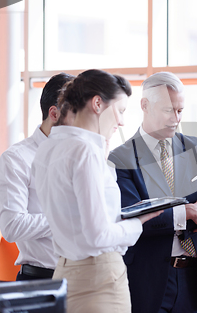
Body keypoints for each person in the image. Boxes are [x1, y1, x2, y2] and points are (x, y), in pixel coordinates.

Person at [32, 69, 161, 313]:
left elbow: (74, 219)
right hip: (100, 277)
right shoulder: (84, 150)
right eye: (120, 110)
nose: (122, 121)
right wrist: (137, 223)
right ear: (98, 103)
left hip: (64, 271)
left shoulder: (48, 148)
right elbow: (97, 235)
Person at [108, 72, 197, 313]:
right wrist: (186, 212)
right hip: (148, 281)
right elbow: (132, 217)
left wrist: (190, 217)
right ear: (145, 106)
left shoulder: (195, 147)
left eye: (180, 110)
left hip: (194, 278)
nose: (175, 119)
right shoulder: (121, 157)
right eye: (168, 110)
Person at [0, 72, 74, 281]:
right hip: (42, 281)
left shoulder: (82, 157)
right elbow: (12, 226)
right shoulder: (17, 159)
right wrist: (67, 218)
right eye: (79, 115)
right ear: (54, 114)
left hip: (87, 281)